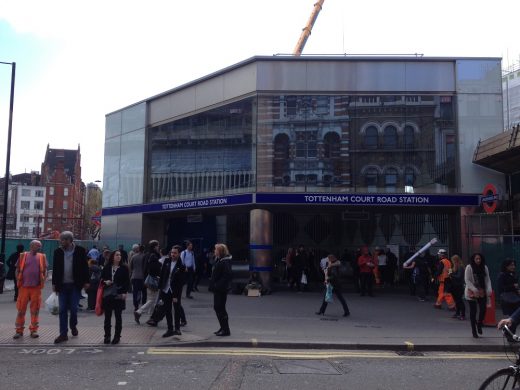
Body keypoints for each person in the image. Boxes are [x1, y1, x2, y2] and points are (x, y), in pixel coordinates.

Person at [52, 231, 89, 344]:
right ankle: (63, 334)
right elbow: (55, 268)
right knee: (62, 310)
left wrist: (86, 281)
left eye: (63, 240)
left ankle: (73, 325)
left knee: (73, 309)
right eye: (61, 240)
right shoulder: (58, 252)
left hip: (75, 285)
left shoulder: (80, 251)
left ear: (70, 240)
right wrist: (54, 284)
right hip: (62, 285)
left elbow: (84, 267)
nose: (61, 242)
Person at [13, 240, 47, 339]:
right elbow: (17, 269)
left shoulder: (42, 257)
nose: (39, 248)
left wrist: (43, 280)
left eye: (40, 246)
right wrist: (18, 281)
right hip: (24, 287)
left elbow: (45, 270)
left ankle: (34, 330)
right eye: (38, 246)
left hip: (36, 288)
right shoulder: (23, 256)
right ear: (31, 246)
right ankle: (19, 331)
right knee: (21, 310)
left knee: (35, 310)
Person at [101, 250, 130, 344]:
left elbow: (127, 282)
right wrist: (105, 282)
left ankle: (117, 336)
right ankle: (107, 336)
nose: (119, 256)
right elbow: (101, 279)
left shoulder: (124, 268)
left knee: (118, 316)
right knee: (107, 317)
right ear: (112, 256)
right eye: (117, 255)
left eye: (120, 255)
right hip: (108, 294)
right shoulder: (107, 267)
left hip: (119, 294)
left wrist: (125, 293)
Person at [158, 245, 186, 337]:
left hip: (175, 291)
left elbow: (181, 282)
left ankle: (177, 329)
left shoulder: (181, 265)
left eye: (175, 253)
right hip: (165, 289)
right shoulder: (166, 261)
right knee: (167, 310)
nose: (172, 254)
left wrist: (176, 296)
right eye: (172, 252)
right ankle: (170, 329)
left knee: (177, 309)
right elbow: (162, 276)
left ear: (179, 254)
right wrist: (161, 291)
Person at [465, 252, 492, 338]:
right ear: (473, 259)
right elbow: (467, 280)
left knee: (483, 309)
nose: (478, 260)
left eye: (479, 259)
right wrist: (474, 289)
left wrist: (489, 289)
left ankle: (479, 324)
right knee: (473, 312)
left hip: (482, 291)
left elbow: (487, 279)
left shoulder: (484, 267)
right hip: (472, 291)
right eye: (476, 259)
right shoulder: (469, 267)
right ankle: (474, 331)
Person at [209, 243, 232, 336]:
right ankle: (223, 327)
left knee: (220, 308)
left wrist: (217, 285)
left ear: (220, 251)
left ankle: (225, 330)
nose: (214, 251)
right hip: (218, 289)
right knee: (218, 308)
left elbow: (227, 276)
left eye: (216, 250)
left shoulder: (224, 261)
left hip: (220, 290)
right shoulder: (220, 260)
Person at [137, 240, 162, 324]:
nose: (159, 247)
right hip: (153, 280)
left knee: (151, 299)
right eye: (158, 246)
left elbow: (144, 268)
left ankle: (151, 318)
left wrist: (145, 279)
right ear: (155, 247)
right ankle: (139, 312)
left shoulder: (146, 255)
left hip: (147, 280)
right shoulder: (154, 256)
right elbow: (154, 269)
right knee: (152, 299)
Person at [129, 244, 146, 313]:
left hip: (135, 276)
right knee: (144, 292)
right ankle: (143, 306)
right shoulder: (145, 257)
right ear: (144, 249)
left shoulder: (134, 256)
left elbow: (131, 266)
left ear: (138, 249)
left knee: (135, 292)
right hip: (143, 277)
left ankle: (136, 306)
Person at [450, 255, 466, 320]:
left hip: (459, 286)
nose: (452, 262)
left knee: (459, 300)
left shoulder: (460, 267)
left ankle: (462, 314)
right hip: (454, 286)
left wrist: (451, 275)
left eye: (453, 261)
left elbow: (459, 276)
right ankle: (457, 313)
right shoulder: (455, 267)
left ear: (456, 260)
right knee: (456, 300)